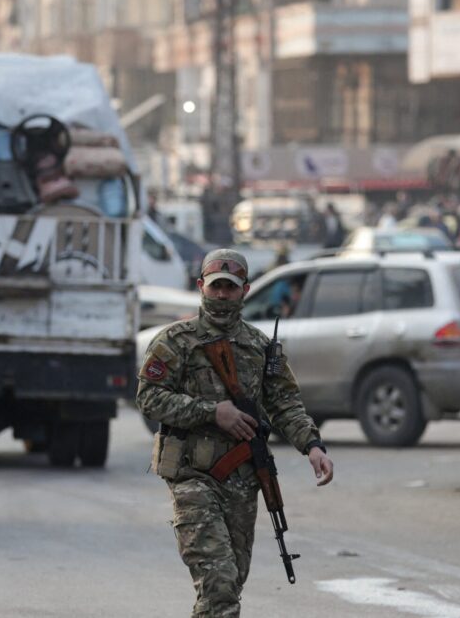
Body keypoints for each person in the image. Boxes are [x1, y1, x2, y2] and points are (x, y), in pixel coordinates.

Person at [137, 249, 334, 617]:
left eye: (230, 287)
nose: (223, 295)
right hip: (192, 476)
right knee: (220, 582)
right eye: (216, 287)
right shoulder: (176, 341)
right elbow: (148, 398)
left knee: (230, 584)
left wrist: (312, 446)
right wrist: (212, 412)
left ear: (245, 290)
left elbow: (284, 403)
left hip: (242, 480)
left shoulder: (260, 347)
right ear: (201, 287)